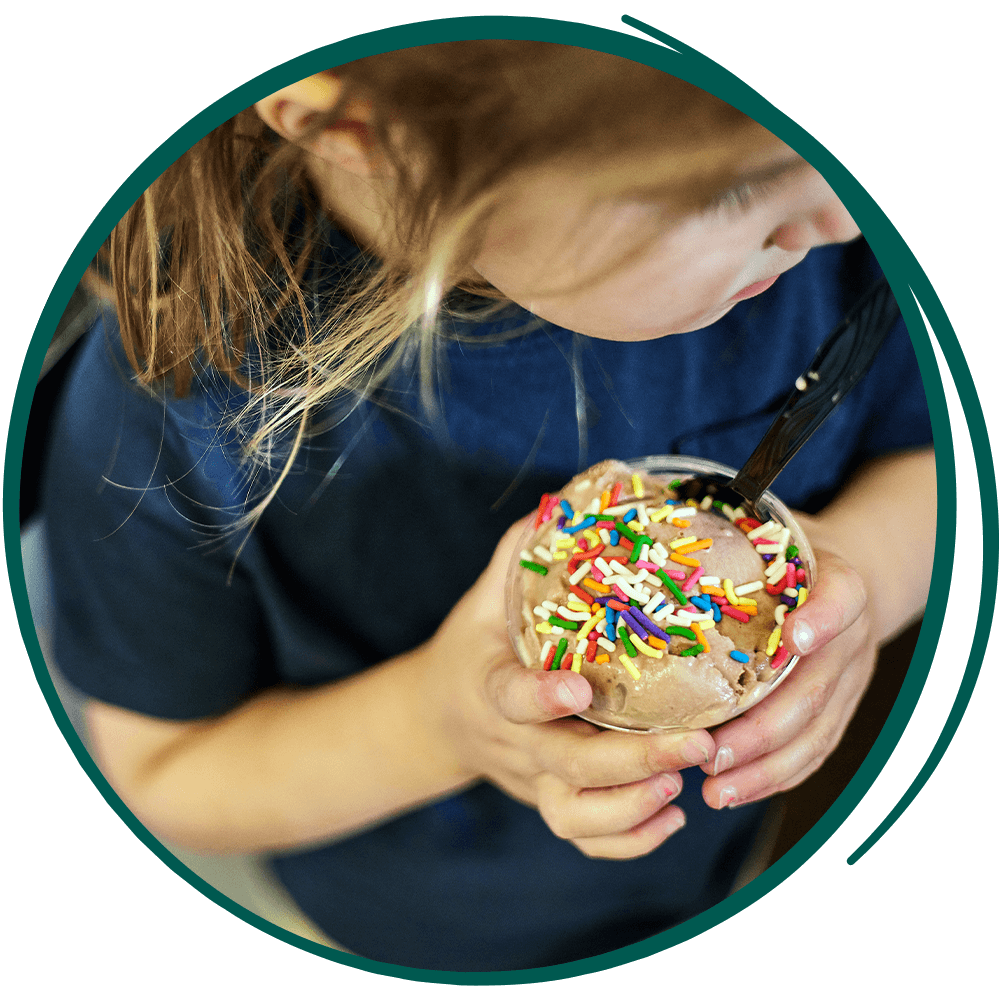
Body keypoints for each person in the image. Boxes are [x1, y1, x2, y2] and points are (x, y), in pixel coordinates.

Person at [40, 41, 934, 971]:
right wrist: (437, 723)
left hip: (721, 868)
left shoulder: (829, 257)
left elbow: (932, 455)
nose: (840, 215)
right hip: (398, 928)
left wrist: (859, 570)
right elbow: (164, 774)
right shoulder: (175, 404)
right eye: (726, 192)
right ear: (361, 129)